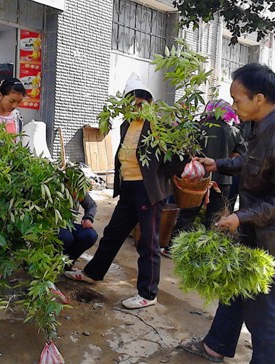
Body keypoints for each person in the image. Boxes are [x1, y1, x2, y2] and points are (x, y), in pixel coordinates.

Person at [180, 63, 275, 363]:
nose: (233, 106)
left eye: (237, 99)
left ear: (259, 98)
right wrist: (217, 164)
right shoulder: (264, 126)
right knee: (234, 287)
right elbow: (253, 160)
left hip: (270, 235)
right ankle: (216, 345)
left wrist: (240, 217)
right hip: (255, 227)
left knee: (264, 312)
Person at [64, 74, 185, 309]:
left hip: (148, 191)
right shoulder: (126, 125)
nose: (137, 108)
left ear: (150, 103)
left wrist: (162, 175)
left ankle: (148, 294)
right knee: (112, 234)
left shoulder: (159, 126)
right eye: (133, 104)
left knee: (148, 243)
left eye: (142, 103)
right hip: (129, 187)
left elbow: (182, 156)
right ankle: (94, 273)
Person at [161, 99, 247, 257]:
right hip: (223, 180)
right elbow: (240, 153)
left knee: (188, 213)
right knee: (214, 218)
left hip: (198, 179)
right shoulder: (233, 131)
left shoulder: (198, 127)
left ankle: (172, 248)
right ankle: (208, 253)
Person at [59, 192, 98, 269]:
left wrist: (88, 218)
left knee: (90, 235)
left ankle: (66, 264)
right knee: (66, 237)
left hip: (68, 225)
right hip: (50, 226)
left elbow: (92, 205)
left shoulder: (77, 187)